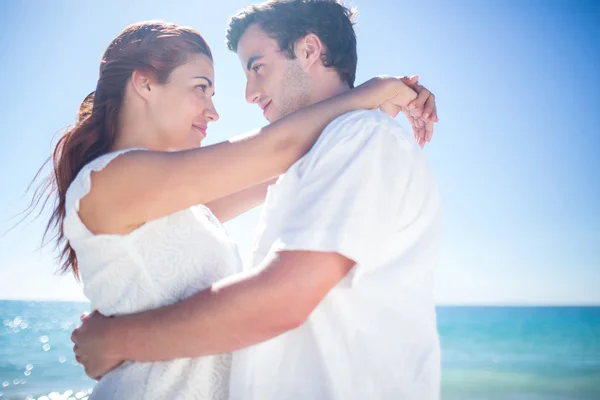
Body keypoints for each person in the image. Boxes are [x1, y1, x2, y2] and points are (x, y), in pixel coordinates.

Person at [49, 13, 436, 400]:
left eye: (212, 92)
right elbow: (277, 151)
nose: (214, 111)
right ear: (145, 83)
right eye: (200, 88)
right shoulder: (110, 181)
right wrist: (375, 91)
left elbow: (295, 165)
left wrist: (374, 111)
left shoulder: (183, 206)